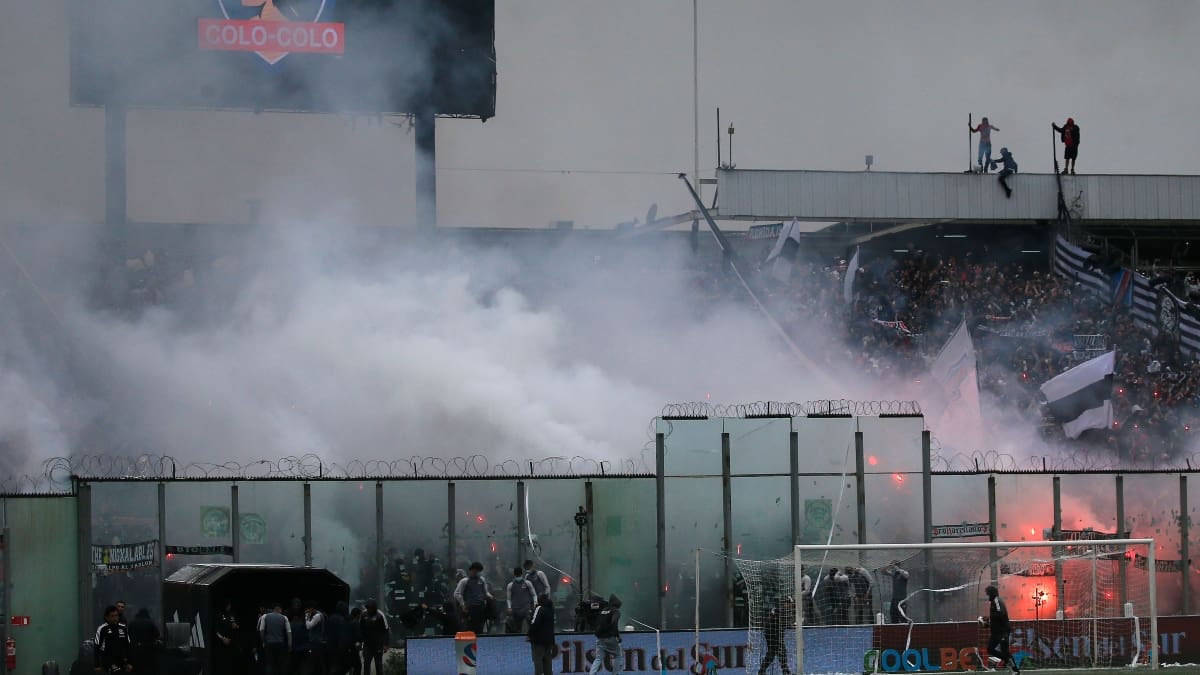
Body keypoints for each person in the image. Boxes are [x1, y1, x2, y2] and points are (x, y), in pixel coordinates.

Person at [980, 585, 1019, 674]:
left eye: (988, 594)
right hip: (997, 632)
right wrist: (988, 624)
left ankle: (1014, 670)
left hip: (1002, 631)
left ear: (991, 594)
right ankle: (1007, 661)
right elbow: (996, 618)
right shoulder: (994, 602)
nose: (988, 596)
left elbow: (1000, 613)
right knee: (990, 649)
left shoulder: (997, 600)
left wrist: (988, 619)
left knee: (1004, 651)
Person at [454, 562, 494, 634]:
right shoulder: (464, 581)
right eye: (476, 571)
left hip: (481, 607)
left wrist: (489, 596)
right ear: (471, 570)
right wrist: (463, 605)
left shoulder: (482, 580)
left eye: (479, 571)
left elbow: (485, 592)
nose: (477, 573)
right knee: (469, 628)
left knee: (480, 628)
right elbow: (457, 594)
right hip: (470, 608)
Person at [757, 594, 792, 675]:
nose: (790, 605)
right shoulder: (782, 610)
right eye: (789, 603)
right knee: (775, 652)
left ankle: (785, 670)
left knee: (779, 652)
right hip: (773, 633)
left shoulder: (778, 609)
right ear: (785, 603)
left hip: (771, 632)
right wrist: (792, 624)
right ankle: (762, 671)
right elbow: (783, 623)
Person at [588, 594, 623, 675]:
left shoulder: (603, 610)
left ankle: (591, 673)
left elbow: (597, 623)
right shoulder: (616, 611)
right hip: (610, 637)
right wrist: (617, 636)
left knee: (598, 658)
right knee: (618, 655)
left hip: (600, 637)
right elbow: (614, 623)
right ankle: (615, 673)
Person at [95, 605, 133, 673]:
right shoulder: (102, 629)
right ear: (107, 617)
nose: (115, 618)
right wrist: (97, 665)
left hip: (121, 660)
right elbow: (97, 647)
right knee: (116, 671)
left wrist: (130, 662)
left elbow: (128, 646)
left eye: (116, 616)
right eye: (112, 616)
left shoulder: (123, 628)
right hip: (108, 660)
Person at [359, 599, 390, 675]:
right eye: (368, 608)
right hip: (367, 645)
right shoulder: (363, 615)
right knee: (366, 664)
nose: (369, 609)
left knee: (378, 664)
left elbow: (386, 630)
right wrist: (360, 642)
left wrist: (386, 644)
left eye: (371, 608)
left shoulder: (380, 615)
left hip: (378, 645)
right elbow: (360, 629)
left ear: (374, 608)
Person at [259, 604, 292, 675]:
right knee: (281, 664)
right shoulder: (284, 617)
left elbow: (261, 630)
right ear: (280, 610)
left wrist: (264, 641)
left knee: (269, 663)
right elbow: (289, 632)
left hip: (269, 643)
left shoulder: (265, 616)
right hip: (280, 643)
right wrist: (289, 645)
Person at [527, 593, 556, 675]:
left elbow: (534, 623)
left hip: (538, 639)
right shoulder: (551, 609)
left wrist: (529, 634)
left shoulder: (539, 608)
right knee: (548, 660)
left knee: (538, 660)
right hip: (549, 639)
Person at [128, 607, 161, 675]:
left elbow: (128, 635)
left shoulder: (132, 623)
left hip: (135, 650)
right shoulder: (150, 623)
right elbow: (157, 635)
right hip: (148, 650)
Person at [505, 566, 538, 634]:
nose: (518, 575)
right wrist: (509, 607)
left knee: (531, 624)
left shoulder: (527, 583)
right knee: (517, 628)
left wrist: (535, 602)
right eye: (517, 574)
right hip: (515, 609)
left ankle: (532, 636)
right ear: (515, 575)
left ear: (521, 574)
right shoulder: (510, 585)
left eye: (519, 574)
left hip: (526, 608)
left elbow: (534, 594)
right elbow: (508, 598)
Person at [305, 600, 329, 675]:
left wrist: (307, 617)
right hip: (317, 641)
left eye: (308, 609)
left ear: (311, 608)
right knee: (317, 661)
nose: (307, 610)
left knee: (315, 661)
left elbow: (308, 626)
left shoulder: (317, 616)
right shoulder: (318, 615)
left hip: (316, 642)